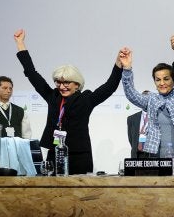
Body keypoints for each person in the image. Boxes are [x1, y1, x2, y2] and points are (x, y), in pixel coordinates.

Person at [13, 29, 125, 175]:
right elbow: (32, 73)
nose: (62, 86)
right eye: (58, 82)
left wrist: (118, 64)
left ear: (77, 84)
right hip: (55, 152)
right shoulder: (52, 96)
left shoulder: (86, 99)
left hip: (79, 155)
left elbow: (109, 86)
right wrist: (20, 43)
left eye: (66, 82)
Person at [120, 36, 174, 159]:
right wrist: (127, 69)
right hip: (157, 156)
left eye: (166, 79)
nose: (162, 83)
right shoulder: (151, 99)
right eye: (158, 80)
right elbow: (131, 94)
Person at [126, 90, 150, 158]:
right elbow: (131, 139)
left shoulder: (159, 117)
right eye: (142, 100)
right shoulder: (131, 119)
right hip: (137, 155)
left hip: (153, 156)